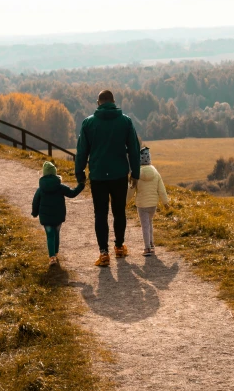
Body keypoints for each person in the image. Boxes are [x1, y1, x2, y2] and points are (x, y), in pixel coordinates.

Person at [76, 89, 141, 267]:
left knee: (100, 214)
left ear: (98, 103)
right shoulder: (126, 121)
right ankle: (119, 247)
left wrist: (79, 173)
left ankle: (104, 253)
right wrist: (135, 173)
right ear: (114, 102)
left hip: (98, 175)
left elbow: (82, 151)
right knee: (119, 211)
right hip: (119, 174)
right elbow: (134, 149)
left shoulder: (88, 123)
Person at [32, 160, 84, 267]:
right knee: (56, 233)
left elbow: (35, 201)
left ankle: (52, 257)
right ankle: (55, 253)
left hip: (46, 217)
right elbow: (72, 193)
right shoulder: (60, 187)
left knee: (50, 235)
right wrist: (81, 186)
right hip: (58, 216)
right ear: (55, 173)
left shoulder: (40, 189)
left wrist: (34, 212)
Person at [127, 146, 169, 256]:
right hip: (153, 205)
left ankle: (147, 248)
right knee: (149, 223)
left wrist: (125, 203)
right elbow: (162, 189)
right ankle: (151, 244)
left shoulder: (136, 174)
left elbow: (131, 190)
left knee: (145, 225)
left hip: (142, 205)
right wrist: (165, 202)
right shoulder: (156, 173)